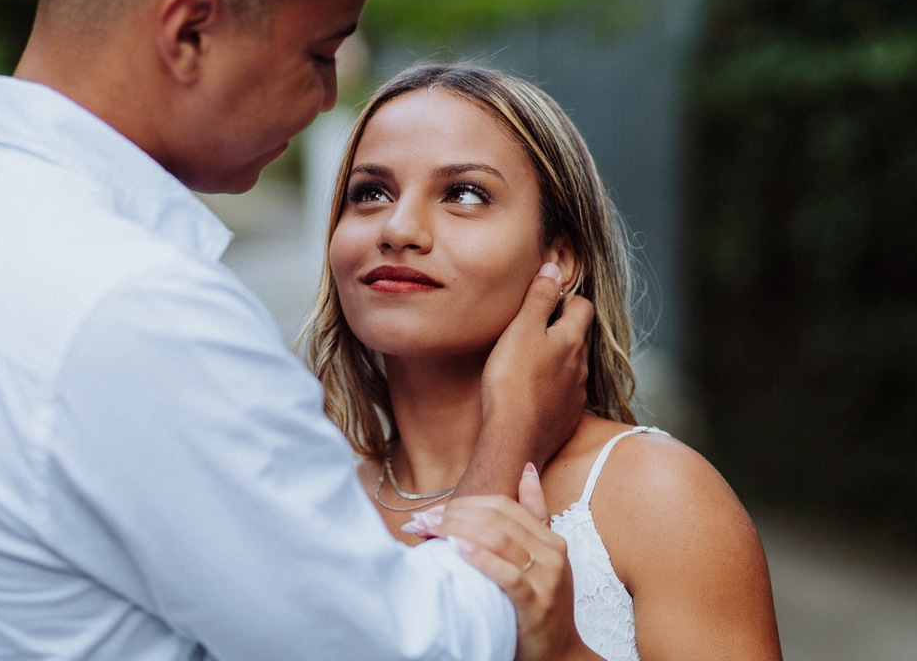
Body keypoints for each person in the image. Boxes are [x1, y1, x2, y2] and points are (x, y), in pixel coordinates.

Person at [0, 0, 595, 659]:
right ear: (191, 32)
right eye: (319, 52)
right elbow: (400, 648)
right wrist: (511, 425)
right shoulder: (141, 306)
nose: (324, 100)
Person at [302, 63, 785, 660]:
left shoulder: (658, 496)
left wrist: (563, 651)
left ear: (558, 258)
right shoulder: (308, 505)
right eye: (370, 192)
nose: (399, 229)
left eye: (464, 194)